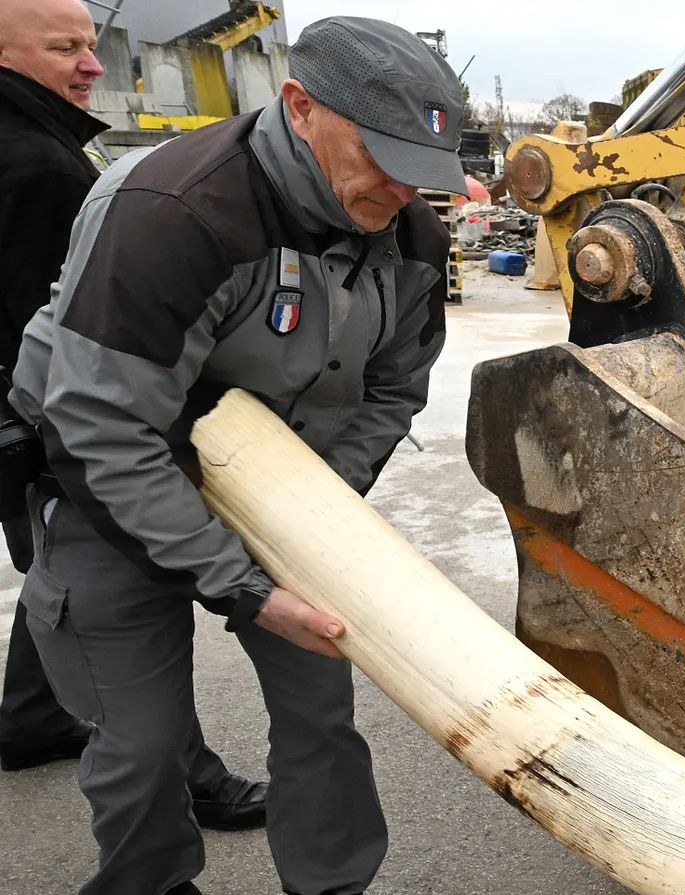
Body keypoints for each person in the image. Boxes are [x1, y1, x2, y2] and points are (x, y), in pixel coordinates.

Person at [9, 14, 460, 894]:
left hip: (280, 486)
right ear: (300, 106)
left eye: (424, 168)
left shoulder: (410, 236)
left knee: (322, 712)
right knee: (141, 745)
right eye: (384, 155)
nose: (405, 187)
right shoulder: (175, 211)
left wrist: (312, 514)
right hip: (106, 482)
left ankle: (329, 884)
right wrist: (243, 587)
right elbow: (100, 426)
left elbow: (391, 390)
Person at [0, 0, 271, 833]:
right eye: (65, 48)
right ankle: (185, 777)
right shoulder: (37, 167)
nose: (93, 64)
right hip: (53, 428)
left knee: (62, 572)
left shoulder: (41, 144)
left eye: (90, 43)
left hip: (23, 430)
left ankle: (31, 717)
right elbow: (78, 337)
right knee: (125, 587)